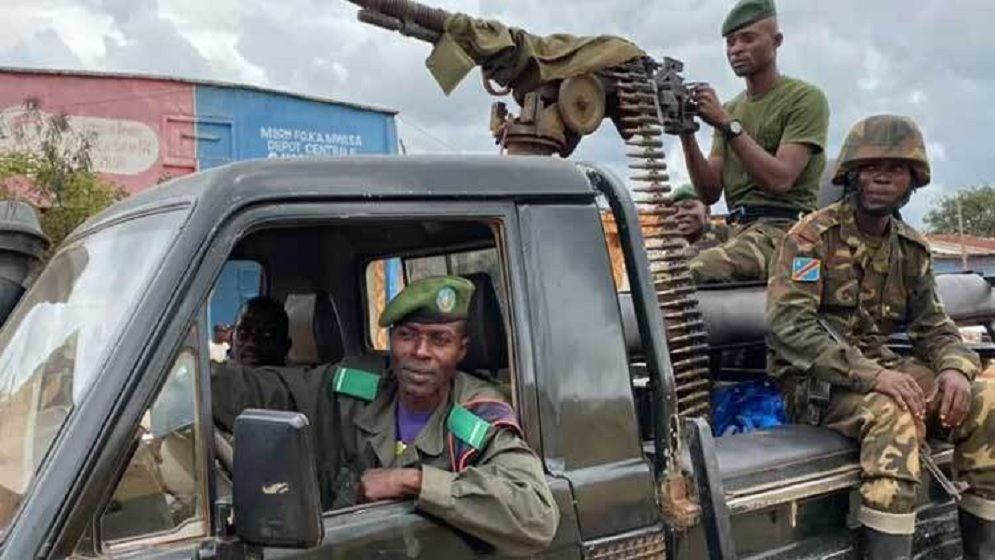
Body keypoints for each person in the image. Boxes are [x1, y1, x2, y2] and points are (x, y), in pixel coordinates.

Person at [767, 115, 995, 559]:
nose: (882, 177)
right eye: (871, 167)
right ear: (851, 174)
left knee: (987, 400)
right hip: (817, 385)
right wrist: (872, 375)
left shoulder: (911, 248)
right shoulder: (811, 239)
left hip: (885, 373)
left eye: (896, 168)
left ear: (913, 180)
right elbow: (790, 327)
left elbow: (933, 325)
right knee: (894, 416)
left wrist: (954, 368)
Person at [212, 276, 558, 555]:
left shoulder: (477, 416)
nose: (421, 353)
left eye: (440, 340)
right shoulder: (356, 388)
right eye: (407, 336)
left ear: (461, 349)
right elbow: (261, 390)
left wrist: (410, 481)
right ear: (391, 340)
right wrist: (189, 377)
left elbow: (536, 515)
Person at [678, 0, 829, 284]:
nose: (736, 49)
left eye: (748, 39)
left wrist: (726, 124)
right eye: (730, 42)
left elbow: (781, 179)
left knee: (696, 271)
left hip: (787, 232)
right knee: (663, 271)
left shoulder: (805, 99)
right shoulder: (732, 108)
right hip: (738, 230)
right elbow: (709, 192)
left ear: (776, 41)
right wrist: (685, 130)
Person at [671, 184, 731, 258]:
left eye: (688, 206)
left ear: (707, 211)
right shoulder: (676, 243)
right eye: (673, 210)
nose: (679, 214)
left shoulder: (724, 236)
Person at [229, 296, 291, 366]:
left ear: (285, 347)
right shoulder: (218, 373)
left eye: (267, 335)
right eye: (243, 333)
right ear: (231, 339)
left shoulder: (298, 376)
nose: (252, 343)